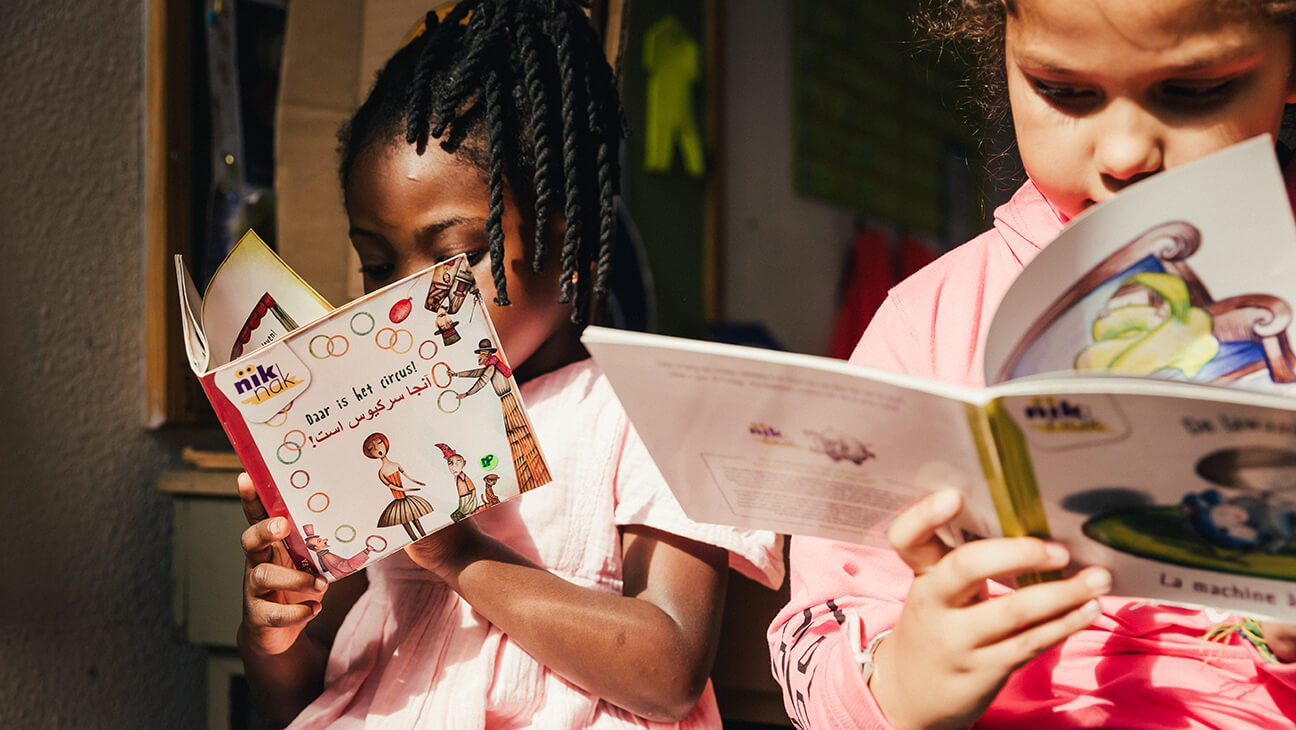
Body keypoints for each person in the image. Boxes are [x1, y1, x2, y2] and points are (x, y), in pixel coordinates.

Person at [235, 3, 783, 728]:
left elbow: (671, 670)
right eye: (376, 266)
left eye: (456, 255)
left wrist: (459, 554)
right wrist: (273, 634)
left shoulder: (639, 411)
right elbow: (303, 698)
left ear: (575, 241)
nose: (413, 297)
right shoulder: (383, 419)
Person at [769, 1, 1296, 728]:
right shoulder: (927, 321)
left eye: (1192, 92)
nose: (1123, 155)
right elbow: (816, 638)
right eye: (1065, 91)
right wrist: (898, 682)